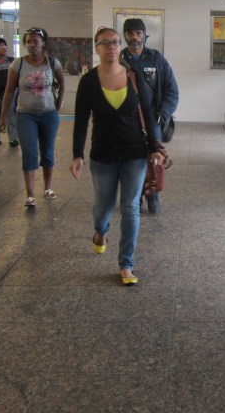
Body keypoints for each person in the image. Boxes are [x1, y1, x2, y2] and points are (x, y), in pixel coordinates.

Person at [70, 27, 163, 286]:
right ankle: (101, 231)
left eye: (114, 42)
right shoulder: (88, 82)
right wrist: (77, 154)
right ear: (97, 48)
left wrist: (154, 147)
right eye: (105, 43)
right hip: (103, 153)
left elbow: (148, 109)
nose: (111, 46)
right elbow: (80, 121)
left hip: (134, 152)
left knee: (130, 206)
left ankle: (126, 264)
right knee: (104, 207)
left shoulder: (133, 76)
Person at [0, 27, 64, 207]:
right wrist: (3, 116)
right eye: (28, 42)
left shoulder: (52, 62)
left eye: (35, 41)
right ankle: (30, 194)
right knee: (29, 152)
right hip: (25, 115)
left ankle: (48, 188)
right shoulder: (18, 64)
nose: (32, 45)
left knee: (48, 151)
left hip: (48, 115)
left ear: (43, 43)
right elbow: (9, 90)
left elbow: (62, 82)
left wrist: (59, 103)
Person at [121, 18, 178, 214]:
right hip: (128, 122)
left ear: (144, 35)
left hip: (153, 119)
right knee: (131, 159)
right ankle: (134, 196)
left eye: (138, 33)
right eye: (130, 33)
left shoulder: (156, 59)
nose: (134, 37)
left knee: (154, 156)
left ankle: (153, 193)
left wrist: (163, 114)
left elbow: (172, 90)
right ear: (125, 35)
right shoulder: (118, 60)